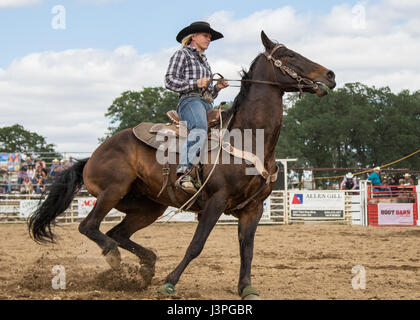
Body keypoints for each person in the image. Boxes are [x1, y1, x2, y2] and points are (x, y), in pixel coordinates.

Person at [165, 21, 229, 193]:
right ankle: (184, 172)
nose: (209, 40)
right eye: (206, 36)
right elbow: (169, 80)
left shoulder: (205, 62)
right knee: (199, 128)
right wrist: (196, 83)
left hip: (206, 103)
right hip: (189, 101)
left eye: (210, 37)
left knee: (231, 126)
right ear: (193, 37)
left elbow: (209, 94)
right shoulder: (182, 54)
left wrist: (217, 88)